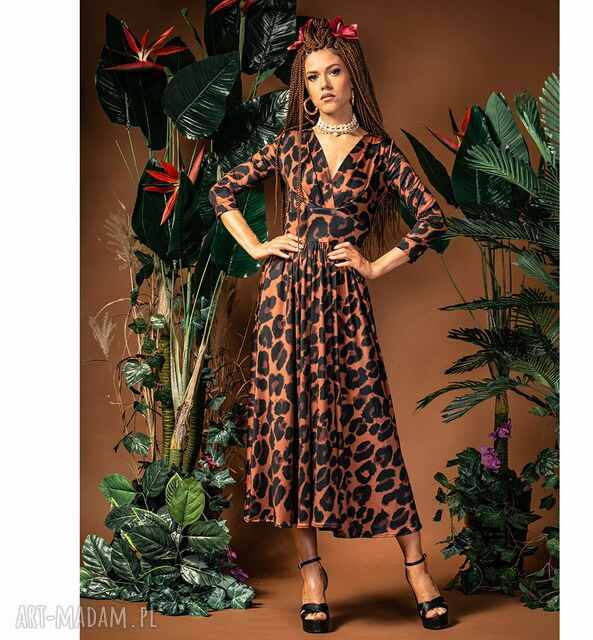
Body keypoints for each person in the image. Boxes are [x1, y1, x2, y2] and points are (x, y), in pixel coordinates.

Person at [209, 15, 449, 633]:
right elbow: (222, 191)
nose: (323, 85)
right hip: (286, 304)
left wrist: (374, 265)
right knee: (292, 431)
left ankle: (417, 569)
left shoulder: (377, 151)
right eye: (312, 76)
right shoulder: (289, 145)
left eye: (333, 72)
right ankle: (312, 575)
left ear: (352, 76)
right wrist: (259, 246)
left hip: (344, 302)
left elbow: (431, 219)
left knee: (370, 426)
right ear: (304, 86)